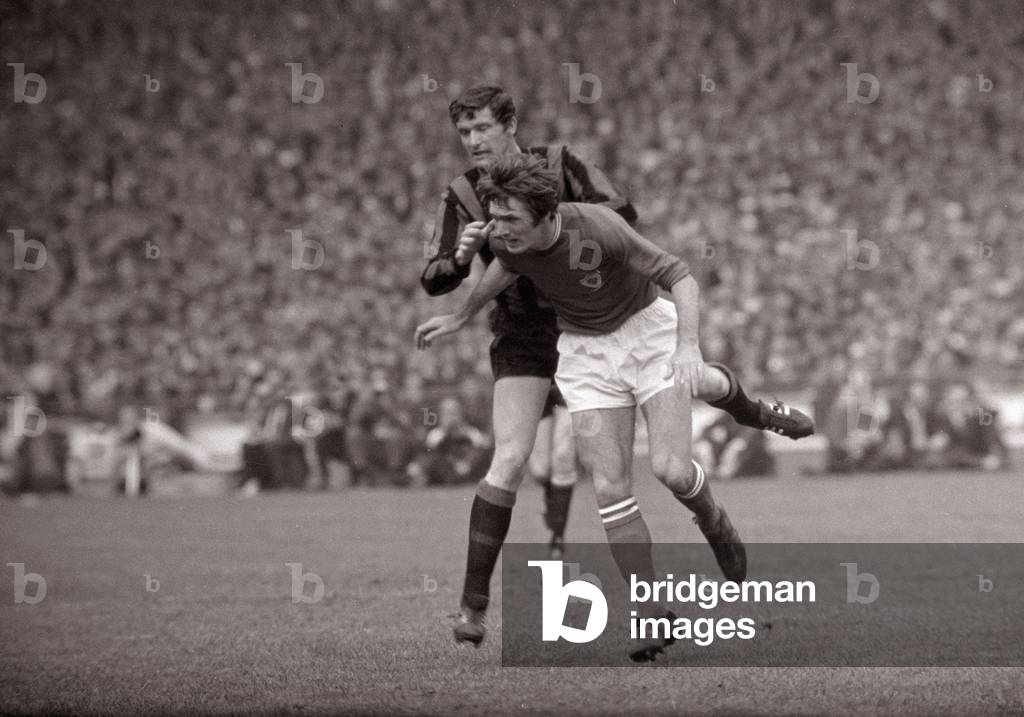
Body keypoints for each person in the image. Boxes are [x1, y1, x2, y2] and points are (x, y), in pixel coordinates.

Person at [416, 154, 814, 661]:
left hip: (648, 334)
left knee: (670, 470)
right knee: (609, 486)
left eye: (512, 219)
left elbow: (681, 275)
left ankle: (718, 505)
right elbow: (504, 267)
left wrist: (687, 345)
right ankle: (649, 614)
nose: (501, 229)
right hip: (585, 355)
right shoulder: (506, 237)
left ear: (545, 214)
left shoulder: (598, 226)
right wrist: (459, 316)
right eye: (497, 218)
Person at [420, 86, 638, 556]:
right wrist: (459, 259)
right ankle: (474, 606)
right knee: (520, 457)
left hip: (586, 325)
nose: (474, 140)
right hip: (522, 334)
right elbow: (433, 278)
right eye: (464, 131)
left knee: (593, 465)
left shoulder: (561, 163)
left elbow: (623, 214)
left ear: (511, 125)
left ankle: (568, 544)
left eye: (483, 128)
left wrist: (547, 221)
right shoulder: (461, 194)